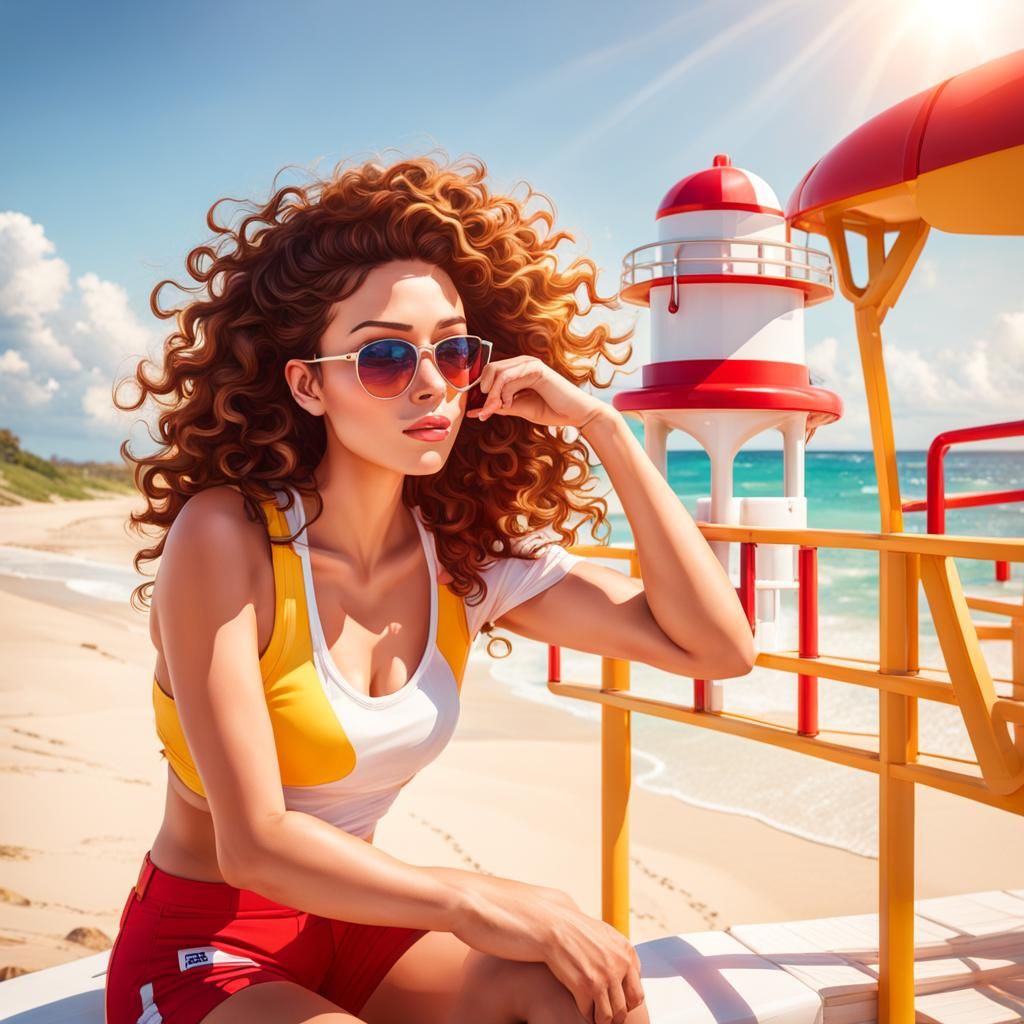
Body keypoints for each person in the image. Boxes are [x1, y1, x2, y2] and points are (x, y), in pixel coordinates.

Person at [104, 150, 754, 1024]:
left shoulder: (462, 558)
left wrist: (607, 430)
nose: (429, 385)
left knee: (592, 998)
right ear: (308, 384)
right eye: (383, 359)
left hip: (363, 926)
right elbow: (255, 845)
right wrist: (474, 897)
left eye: (452, 352)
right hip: (208, 942)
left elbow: (719, 648)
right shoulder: (229, 539)